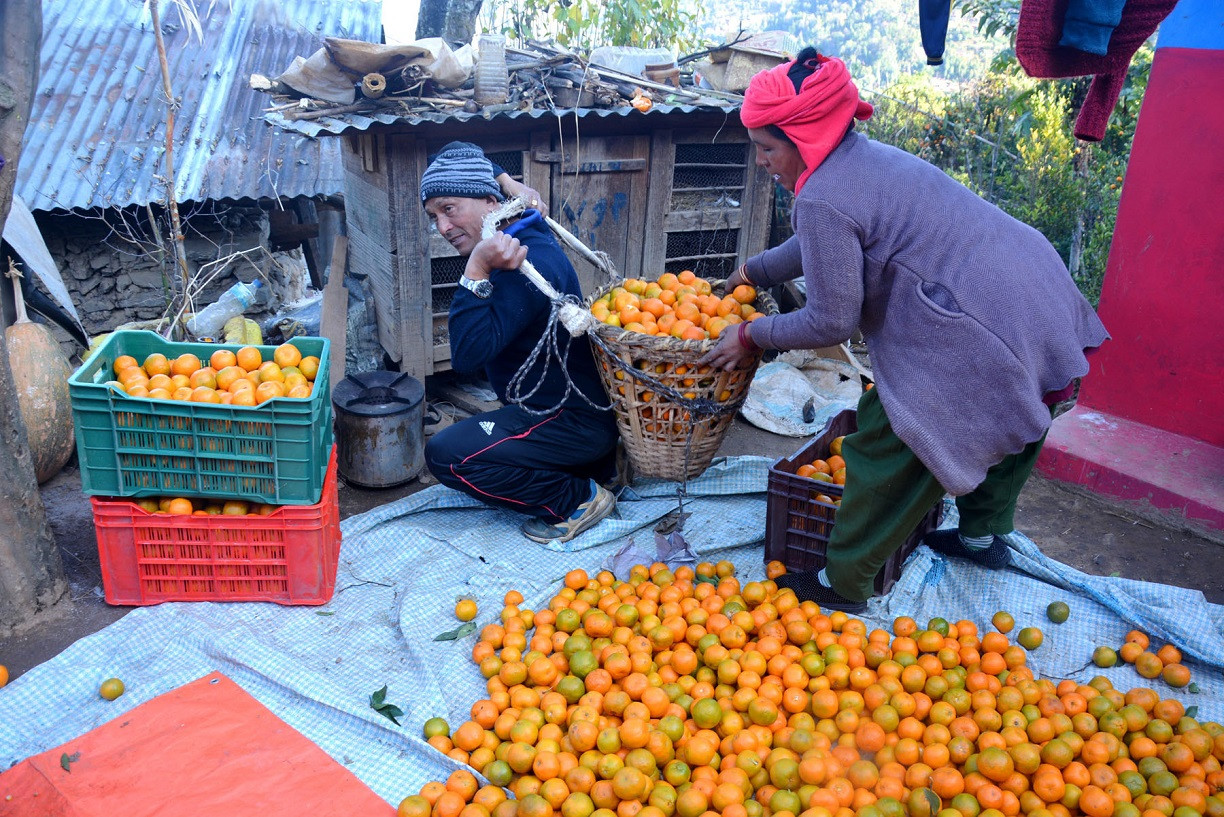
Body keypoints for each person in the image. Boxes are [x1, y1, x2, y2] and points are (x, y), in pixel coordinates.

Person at [701, 49, 1109, 612]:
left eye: (768, 149)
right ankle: (982, 538)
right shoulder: (859, 160)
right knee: (1015, 412)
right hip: (1035, 293)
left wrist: (751, 335)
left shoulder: (823, 196)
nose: (763, 163)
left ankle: (842, 584)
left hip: (981, 321)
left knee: (887, 438)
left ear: (805, 138)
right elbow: (822, 243)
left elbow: (831, 320)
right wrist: (753, 271)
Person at [421, 142, 620, 544]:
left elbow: (465, 357)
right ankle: (591, 470)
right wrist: (509, 180)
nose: (443, 227)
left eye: (449, 209)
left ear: (490, 203)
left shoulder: (522, 266)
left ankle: (577, 498)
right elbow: (461, 149)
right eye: (434, 216)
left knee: (446, 456)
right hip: (571, 414)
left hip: (569, 421)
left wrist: (475, 268)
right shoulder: (522, 221)